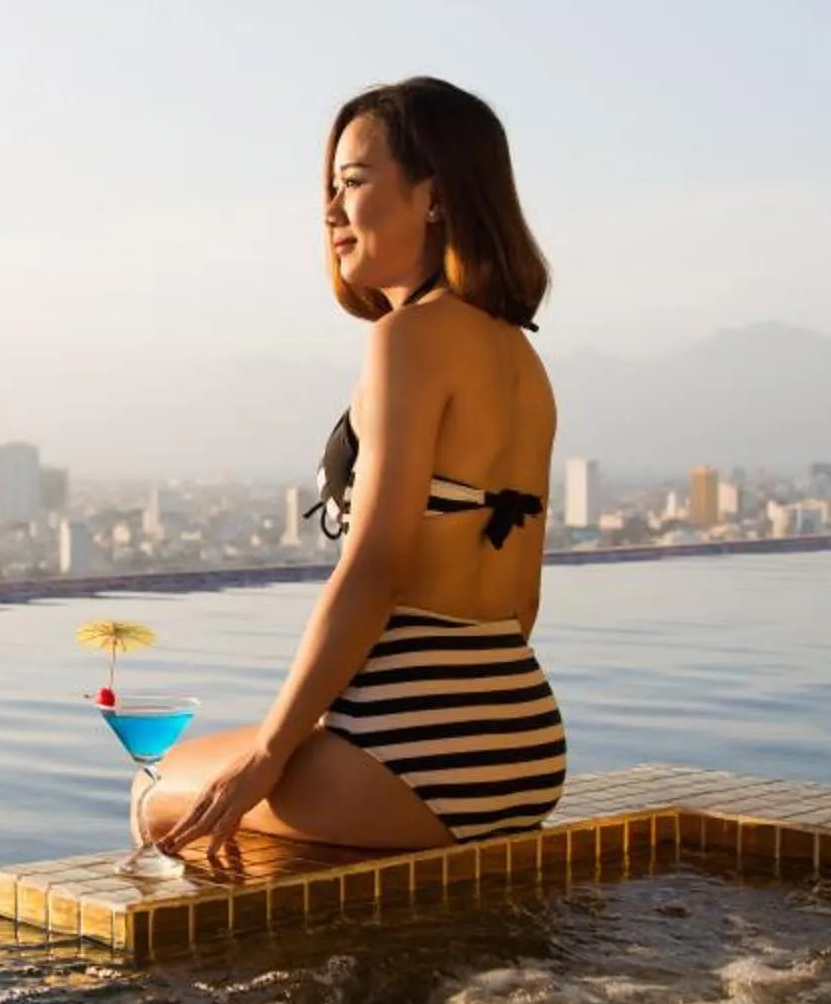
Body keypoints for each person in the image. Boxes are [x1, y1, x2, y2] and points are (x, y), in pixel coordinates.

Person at [148, 77, 565, 865]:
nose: (331, 211)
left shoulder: (407, 339)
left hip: (413, 751)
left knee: (157, 790)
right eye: (329, 188)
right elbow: (523, 594)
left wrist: (273, 752)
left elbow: (374, 566)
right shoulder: (522, 359)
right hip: (524, 747)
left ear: (433, 196)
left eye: (354, 182)